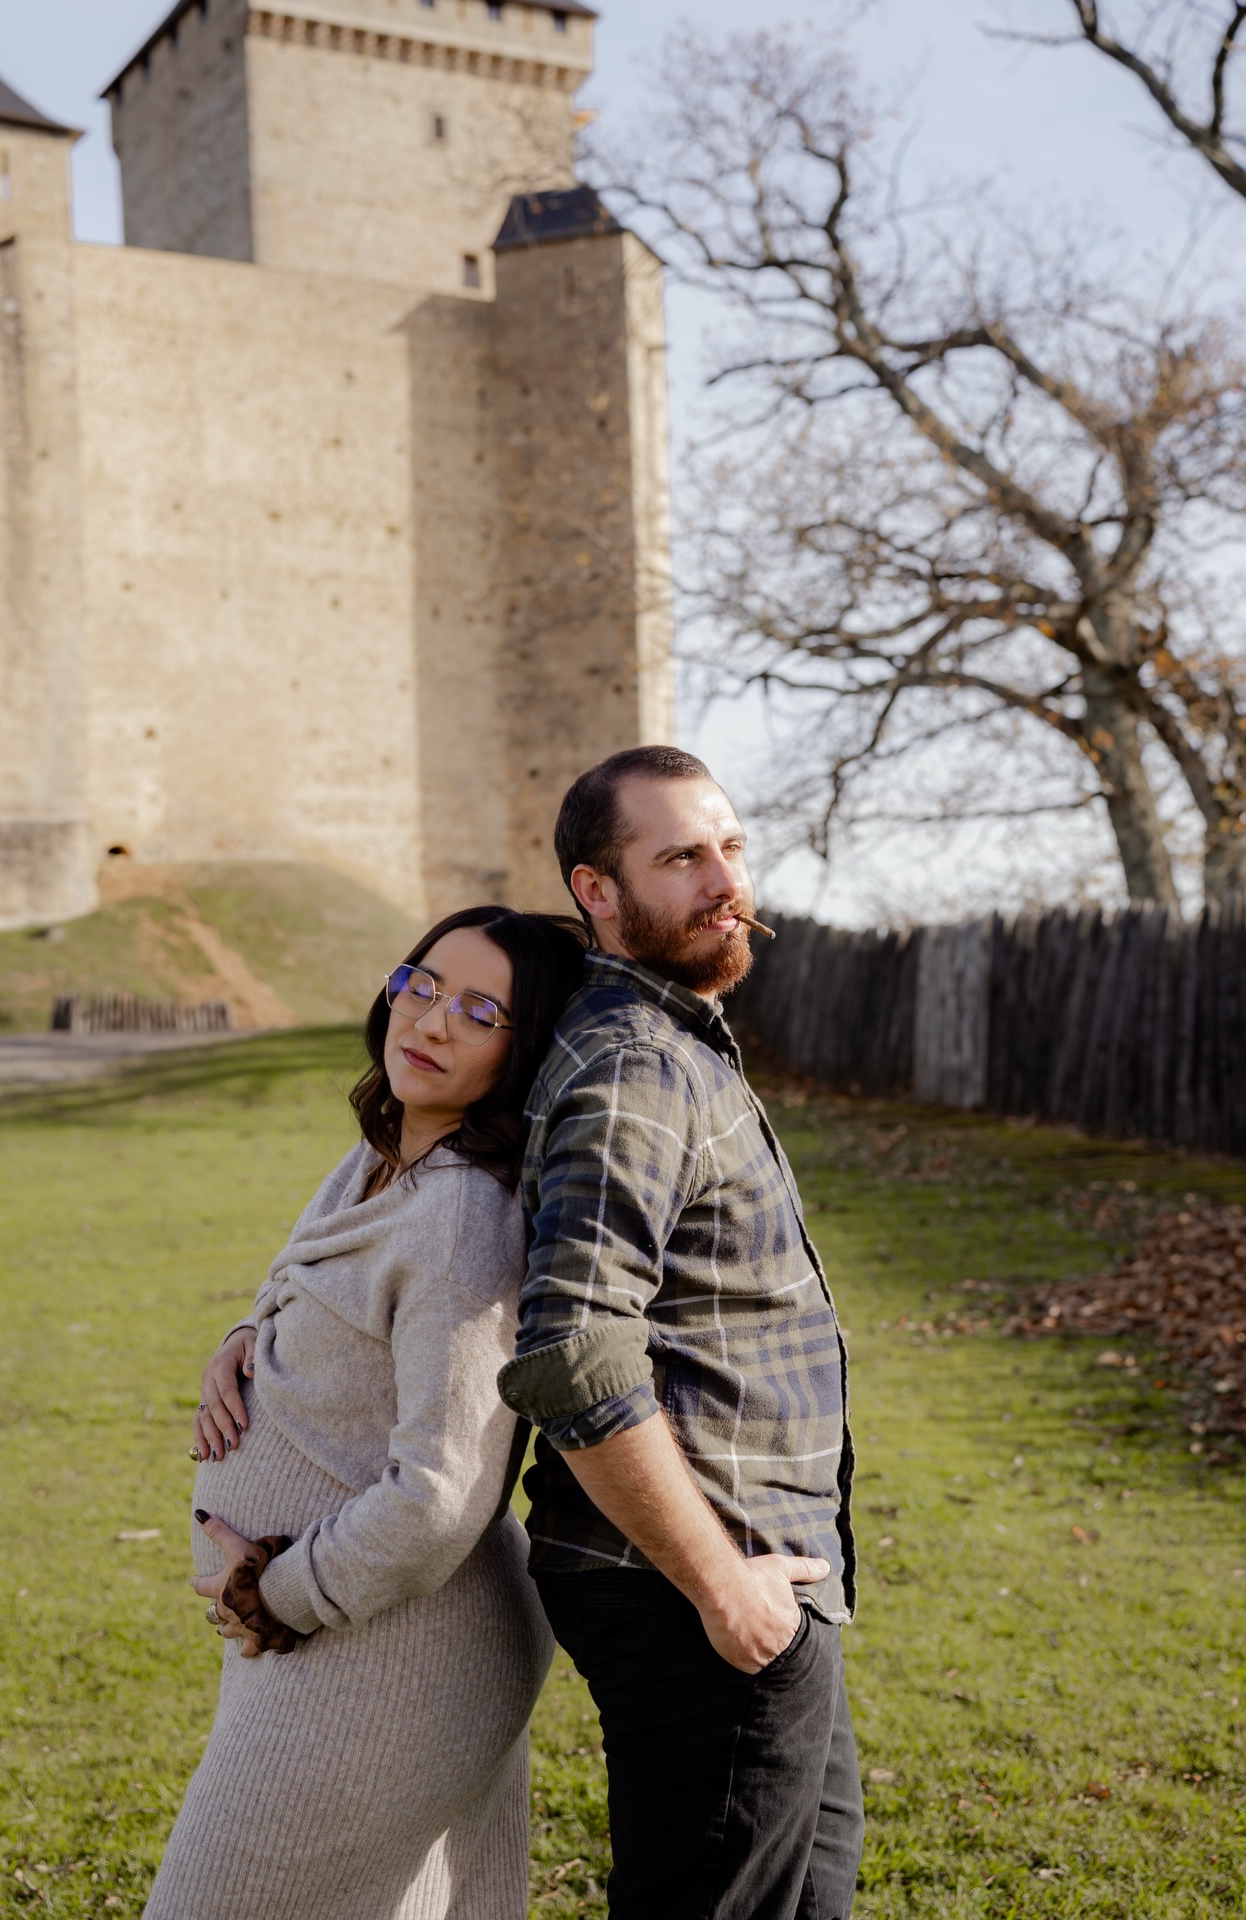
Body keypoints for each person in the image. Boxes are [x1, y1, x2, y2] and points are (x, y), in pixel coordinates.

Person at [145, 905, 586, 1920]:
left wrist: (281, 1592)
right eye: (420, 985)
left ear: (523, 1054)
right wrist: (248, 1334)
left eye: (480, 1012)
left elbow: (440, 1495)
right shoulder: (389, 1149)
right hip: (349, 1644)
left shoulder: (462, 1218)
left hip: (386, 1658)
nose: (428, 1023)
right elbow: (313, 1269)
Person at [498, 746, 863, 1920]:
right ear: (596, 891)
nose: (724, 880)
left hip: (750, 1585)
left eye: (731, 846)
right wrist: (720, 1587)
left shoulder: (675, 1038)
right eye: (681, 857)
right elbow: (573, 1351)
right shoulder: (637, 1063)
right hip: (695, 1593)